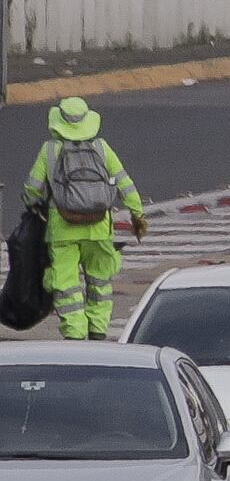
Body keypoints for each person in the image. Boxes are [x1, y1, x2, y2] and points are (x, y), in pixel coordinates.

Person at [25, 95, 143, 340]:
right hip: (99, 228)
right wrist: (137, 214)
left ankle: (75, 333)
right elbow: (125, 183)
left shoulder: (50, 150)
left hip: (63, 230)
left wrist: (35, 207)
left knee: (66, 285)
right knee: (100, 283)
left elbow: (32, 188)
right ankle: (98, 331)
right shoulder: (101, 147)